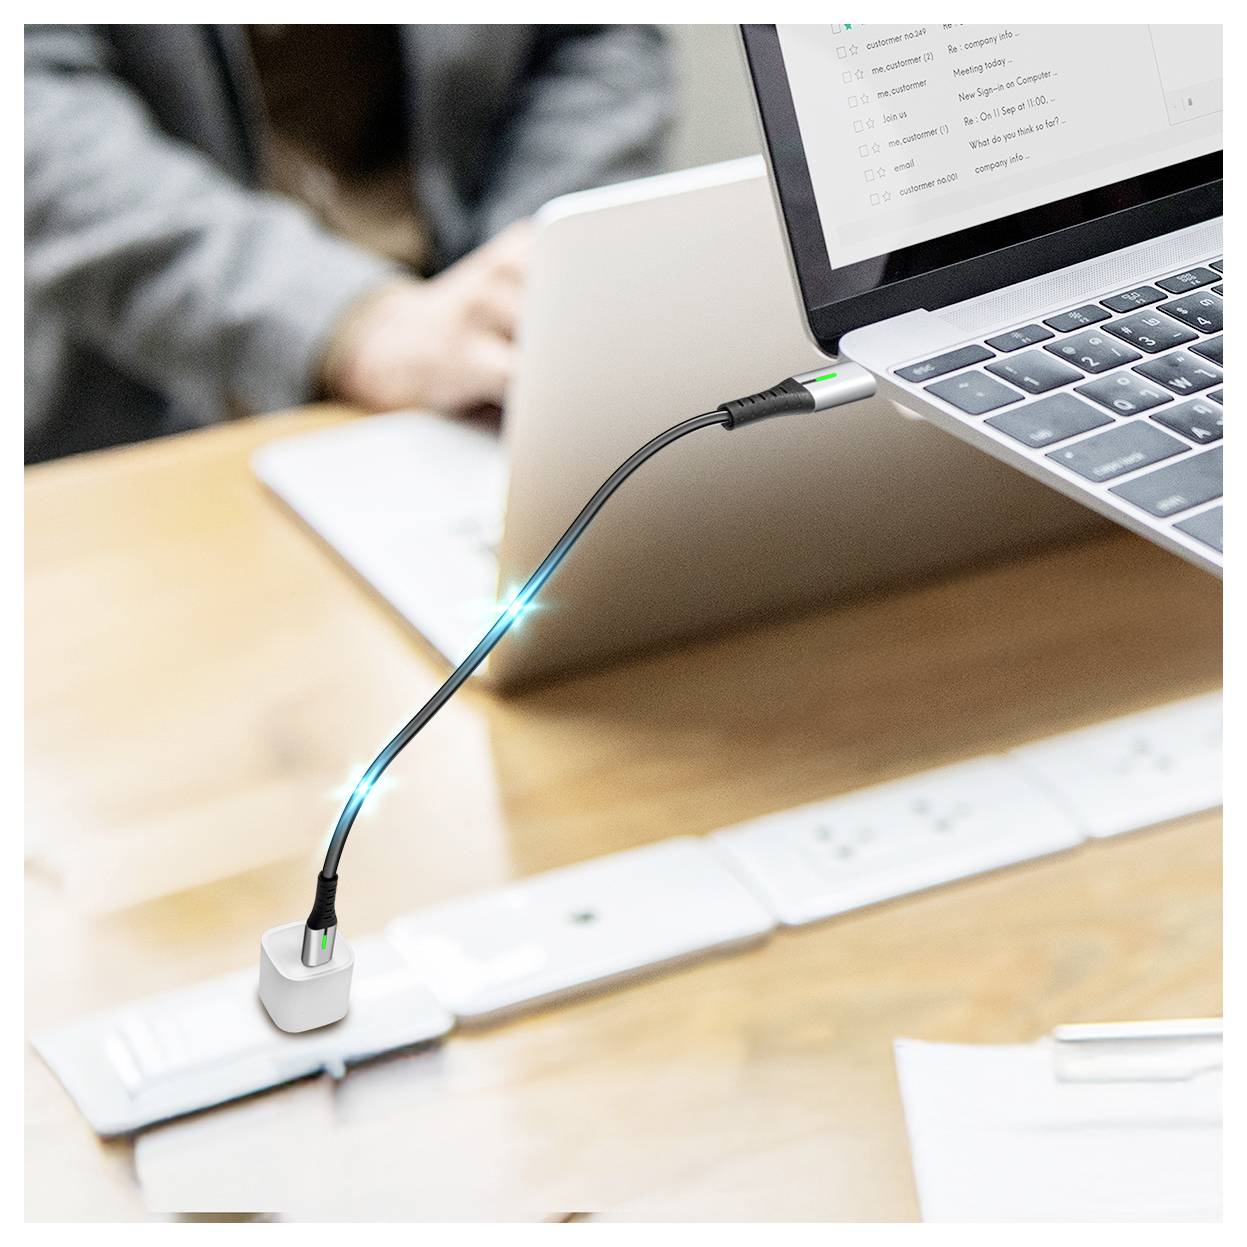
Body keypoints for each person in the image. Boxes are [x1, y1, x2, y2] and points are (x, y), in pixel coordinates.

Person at [24, 25, 674, 462]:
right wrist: (350, 323)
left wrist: (538, 264)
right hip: (148, 416)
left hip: (482, 398)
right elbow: (34, 106)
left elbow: (596, 37)